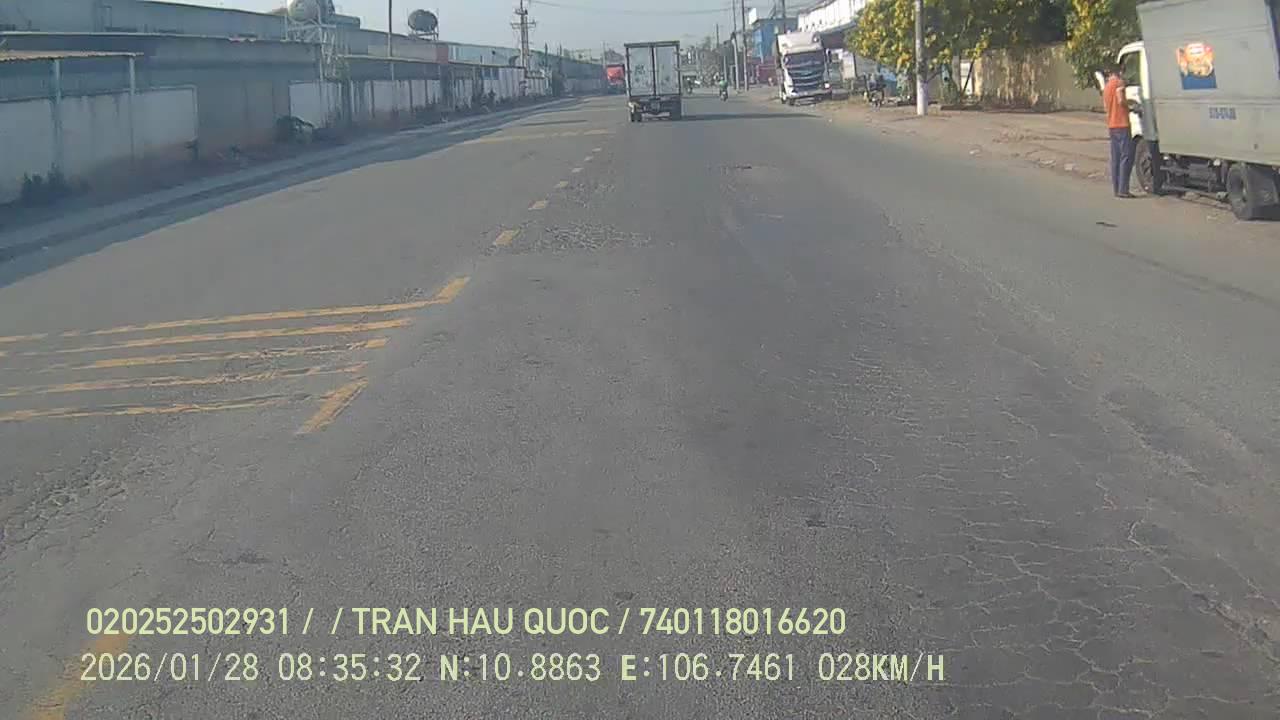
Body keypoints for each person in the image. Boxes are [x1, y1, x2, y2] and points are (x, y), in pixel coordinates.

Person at [1103, 63, 1135, 198]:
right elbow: (1121, 100)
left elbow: (1106, 107)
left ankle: (1116, 188)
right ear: (1119, 72)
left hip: (1112, 125)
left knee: (1115, 158)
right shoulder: (1119, 83)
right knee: (1126, 156)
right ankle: (1123, 189)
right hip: (1122, 123)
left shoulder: (1106, 87)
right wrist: (1131, 105)